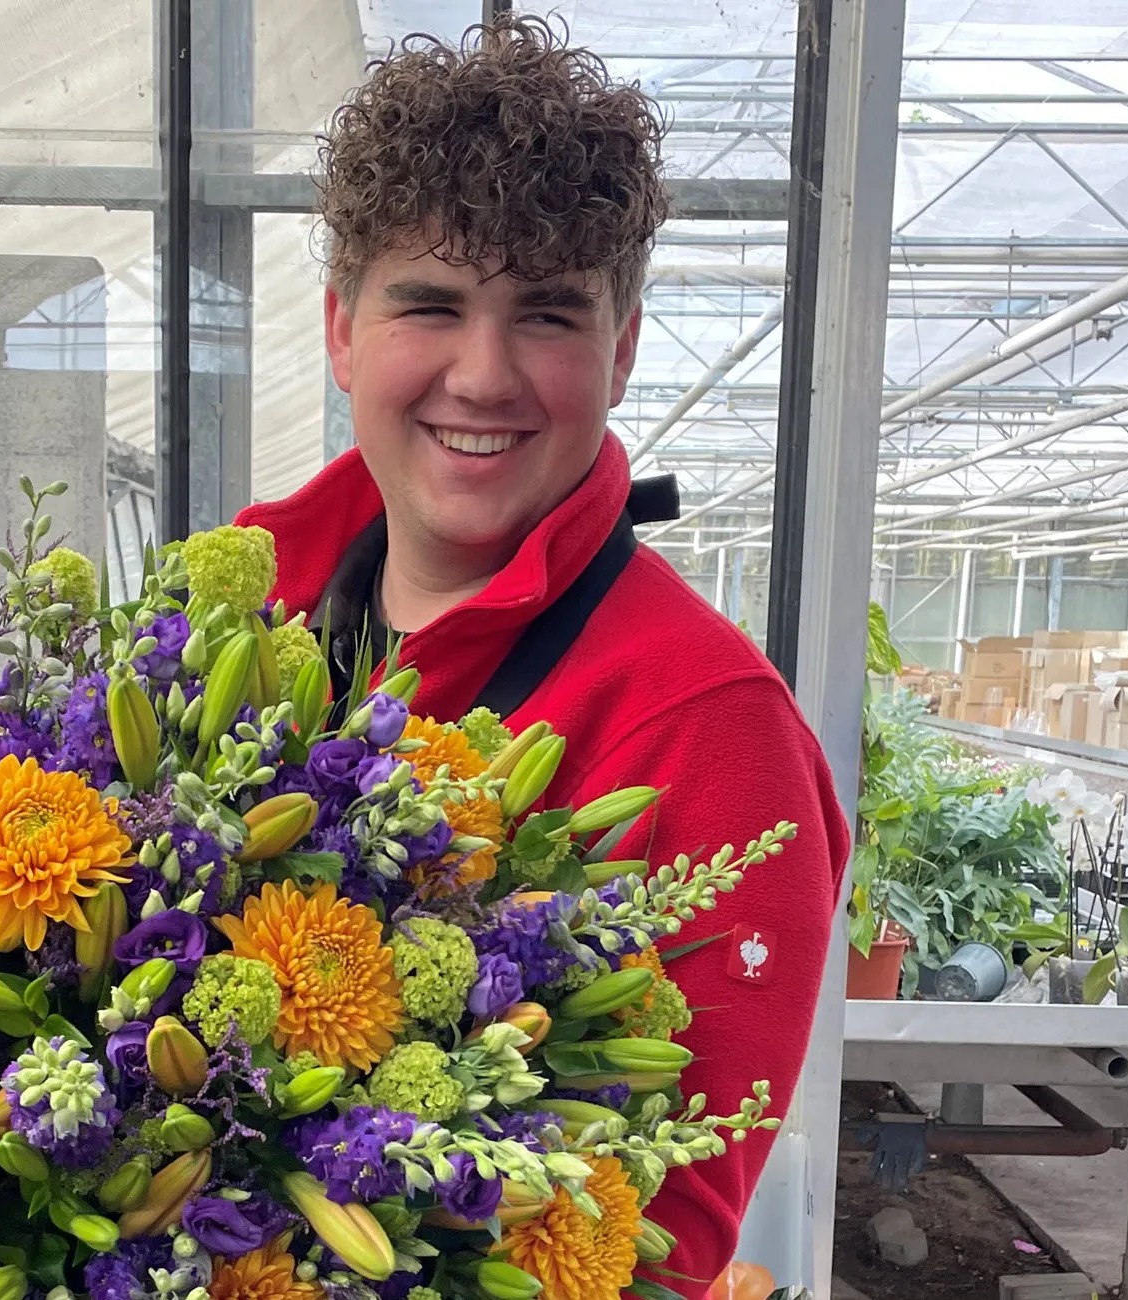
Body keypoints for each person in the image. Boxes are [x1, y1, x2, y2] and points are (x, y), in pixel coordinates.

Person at [233, 15, 851, 1296]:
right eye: (430, 303)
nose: (482, 372)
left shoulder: (706, 726)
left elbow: (651, 1240)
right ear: (342, 329)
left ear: (621, 348)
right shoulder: (236, 632)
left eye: (548, 314)